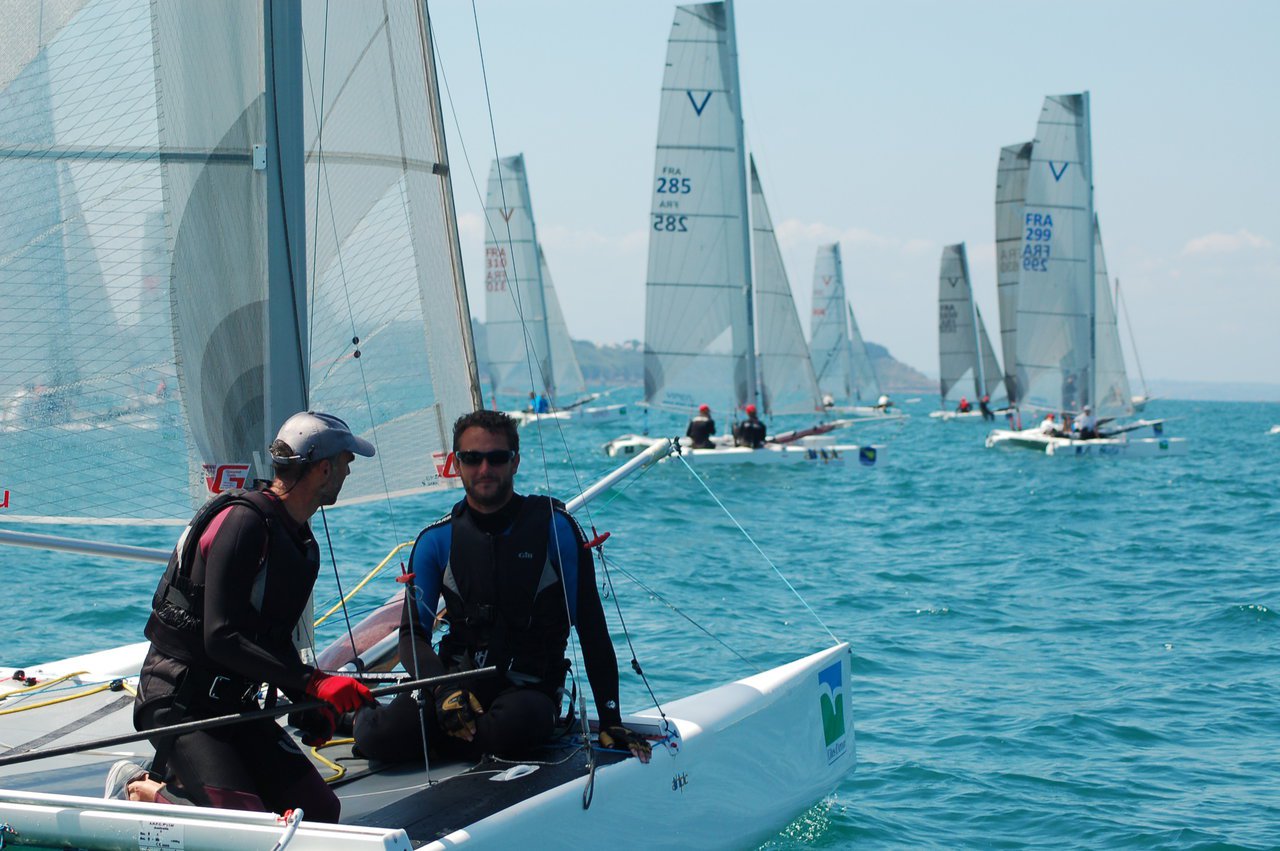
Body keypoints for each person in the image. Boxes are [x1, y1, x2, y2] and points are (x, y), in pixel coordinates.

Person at [109, 411, 377, 817]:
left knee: (321, 812)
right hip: (180, 702)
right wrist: (316, 681)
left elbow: (272, 642)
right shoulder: (243, 524)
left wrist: (307, 699)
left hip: (235, 705)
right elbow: (220, 637)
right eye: (346, 461)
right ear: (324, 469)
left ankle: (192, 781)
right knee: (245, 826)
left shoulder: (301, 543)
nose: (349, 471)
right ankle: (139, 786)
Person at [353, 410, 651, 765]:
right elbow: (412, 637)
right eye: (472, 458)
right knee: (380, 738)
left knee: (510, 733)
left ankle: (441, 739)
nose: (484, 469)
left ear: (515, 462)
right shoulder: (435, 540)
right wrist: (445, 690)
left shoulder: (557, 530)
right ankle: (356, 717)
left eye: (496, 458)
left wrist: (611, 718)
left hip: (528, 689)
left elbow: (591, 628)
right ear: (456, 464)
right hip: (457, 681)